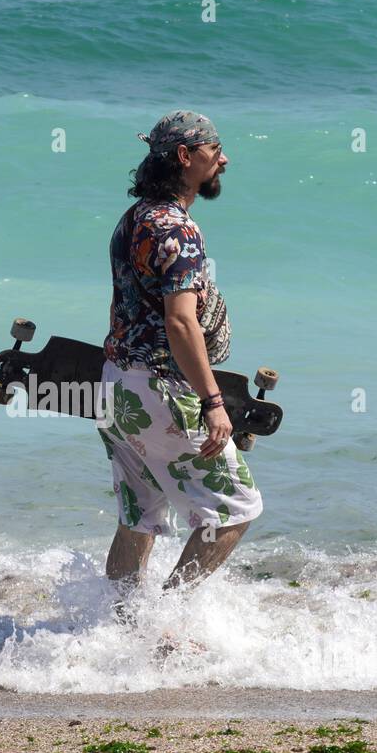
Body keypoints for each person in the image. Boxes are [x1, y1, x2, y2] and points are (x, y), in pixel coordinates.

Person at [99, 110, 262, 615]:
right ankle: (167, 620)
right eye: (215, 151)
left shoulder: (135, 219)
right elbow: (181, 323)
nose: (224, 159)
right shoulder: (179, 230)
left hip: (116, 387)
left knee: (139, 513)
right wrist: (213, 403)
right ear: (186, 158)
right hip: (162, 389)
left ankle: (119, 625)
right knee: (236, 508)